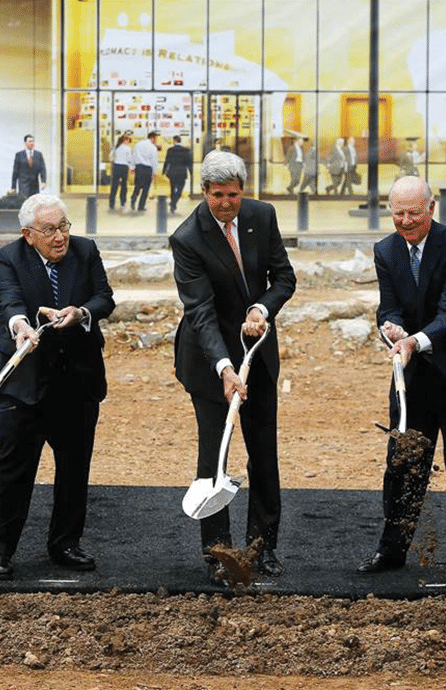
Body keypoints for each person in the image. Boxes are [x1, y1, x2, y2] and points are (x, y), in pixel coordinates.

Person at [358, 175, 446, 587]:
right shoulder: (386, 250)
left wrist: (414, 342)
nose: (405, 221)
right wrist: (392, 330)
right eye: (398, 213)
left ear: (431, 208)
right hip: (415, 377)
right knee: (403, 464)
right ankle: (392, 549)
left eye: (413, 213)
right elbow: (390, 306)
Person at [169, 151, 297, 585]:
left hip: (257, 350)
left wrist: (262, 307)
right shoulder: (187, 237)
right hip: (208, 362)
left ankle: (262, 550)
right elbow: (200, 311)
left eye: (234, 195)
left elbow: (284, 277)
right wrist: (224, 367)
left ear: (245, 190)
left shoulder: (262, 216)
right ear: (204, 192)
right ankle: (220, 556)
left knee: (264, 454)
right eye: (218, 195)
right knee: (215, 456)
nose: (227, 203)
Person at [0, 194, 115, 580]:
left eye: (64, 226)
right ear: (28, 234)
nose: (60, 237)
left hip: (77, 381)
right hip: (25, 383)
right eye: (49, 230)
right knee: (11, 469)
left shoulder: (85, 251)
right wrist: (20, 325)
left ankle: (65, 544)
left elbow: (104, 298)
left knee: (74, 470)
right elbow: (9, 302)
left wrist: (81, 313)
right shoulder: (8, 257)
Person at [162, 135, 193, 213]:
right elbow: (189, 162)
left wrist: (164, 171)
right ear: (180, 141)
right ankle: (174, 202)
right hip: (182, 172)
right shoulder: (186, 150)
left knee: (172, 188)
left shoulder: (170, 150)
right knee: (180, 188)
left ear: (174, 141)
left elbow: (167, 161)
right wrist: (191, 172)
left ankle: (173, 202)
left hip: (172, 172)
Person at [131, 131, 161, 212]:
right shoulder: (153, 147)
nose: (156, 141)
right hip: (148, 169)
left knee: (137, 186)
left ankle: (133, 200)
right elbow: (154, 161)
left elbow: (134, 156)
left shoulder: (138, 144)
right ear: (152, 138)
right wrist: (154, 172)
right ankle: (141, 206)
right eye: (156, 139)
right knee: (146, 188)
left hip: (139, 167)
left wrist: (132, 167)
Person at [11, 134, 47, 199]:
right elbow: (15, 171)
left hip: (35, 185)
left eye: (33, 141)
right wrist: (13, 187)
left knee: (34, 204)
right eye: (30, 141)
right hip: (23, 185)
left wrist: (43, 181)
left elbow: (42, 169)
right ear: (25, 143)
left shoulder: (38, 155)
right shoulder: (19, 155)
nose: (32, 143)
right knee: (23, 203)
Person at [108, 132, 133, 211]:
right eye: (128, 140)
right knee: (123, 186)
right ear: (125, 140)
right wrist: (132, 168)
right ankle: (123, 203)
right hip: (124, 168)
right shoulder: (128, 149)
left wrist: (113, 161)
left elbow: (110, 156)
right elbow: (129, 160)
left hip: (116, 167)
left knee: (114, 186)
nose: (129, 142)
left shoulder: (116, 148)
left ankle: (111, 204)